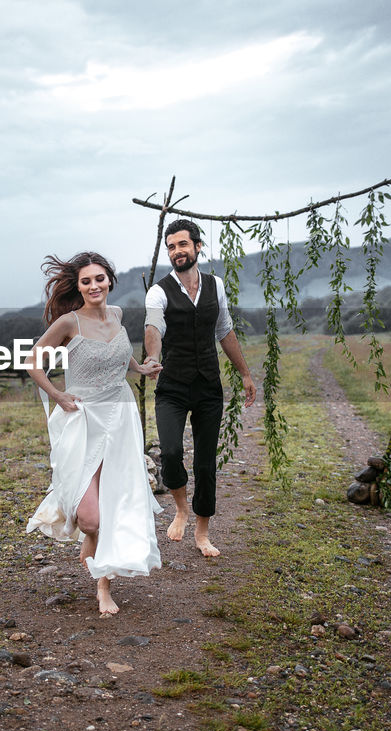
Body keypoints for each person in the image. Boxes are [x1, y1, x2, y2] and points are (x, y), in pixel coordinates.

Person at [25, 251, 164, 617]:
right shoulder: (68, 323)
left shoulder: (117, 315)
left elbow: (119, 356)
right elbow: (33, 362)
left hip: (119, 418)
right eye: (86, 281)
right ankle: (91, 541)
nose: (94, 286)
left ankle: (104, 586)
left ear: (109, 280)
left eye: (99, 278)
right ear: (79, 286)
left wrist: (141, 367)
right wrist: (57, 394)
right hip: (83, 420)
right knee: (90, 519)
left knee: (116, 499)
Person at [143, 219, 256, 558]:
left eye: (182, 245)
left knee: (206, 463)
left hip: (208, 386)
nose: (177, 251)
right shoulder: (158, 290)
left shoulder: (215, 286)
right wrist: (152, 356)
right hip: (173, 387)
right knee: (173, 452)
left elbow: (225, 330)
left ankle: (202, 532)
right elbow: (153, 325)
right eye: (172, 247)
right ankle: (180, 508)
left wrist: (245, 374)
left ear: (197, 247)